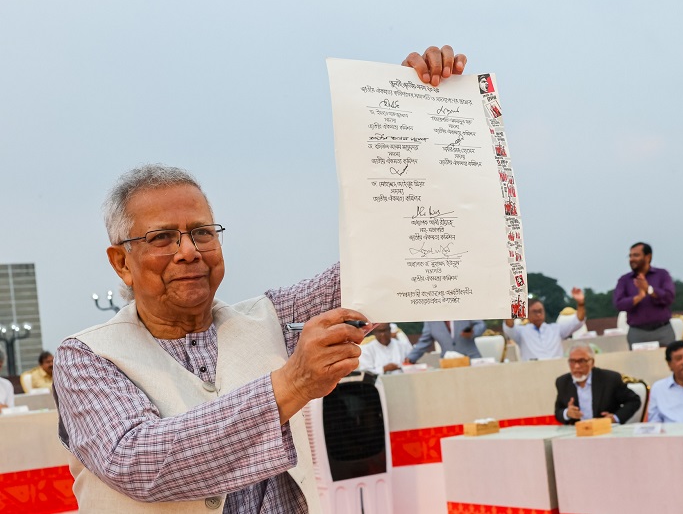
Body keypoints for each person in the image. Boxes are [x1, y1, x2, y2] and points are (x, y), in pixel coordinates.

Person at [52, 42, 467, 514]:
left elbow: (379, 263)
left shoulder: (274, 318)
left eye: (202, 233)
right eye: (163, 237)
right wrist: (291, 383)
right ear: (121, 262)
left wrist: (408, 121)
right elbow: (144, 461)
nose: (188, 251)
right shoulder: (86, 357)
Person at [554, 342, 641, 425]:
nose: (576, 366)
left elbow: (634, 401)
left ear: (592, 362)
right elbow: (558, 411)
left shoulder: (610, 379)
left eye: (581, 361)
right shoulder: (562, 382)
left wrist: (615, 418)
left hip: (605, 432)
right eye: (572, 361)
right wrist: (567, 413)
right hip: (577, 433)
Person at [613, 242, 676, 348]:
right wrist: (638, 297)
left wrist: (649, 289)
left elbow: (669, 298)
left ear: (648, 257)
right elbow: (619, 304)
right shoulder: (625, 280)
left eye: (636, 255)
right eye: (630, 256)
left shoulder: (662, 275)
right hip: (637, 332)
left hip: (663, 330)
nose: (632, 259)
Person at [503, 288, 586, 360]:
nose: (539, 314)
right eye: (535, 312)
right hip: (532, 372)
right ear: (527, 314)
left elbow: (578, 321)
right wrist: (512, 304)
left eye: (540, 311)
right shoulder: (521, 332)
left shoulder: (556, 329)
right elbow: (509, 326)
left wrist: (580, 304)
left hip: (557, 370)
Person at [405, 319, 487, 363]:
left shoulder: (463, 309)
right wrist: (410, 358)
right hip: (448, 363)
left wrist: (473, 332)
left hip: (472, 359)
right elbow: (424, 342)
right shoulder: (431, 320)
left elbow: (481, 324)